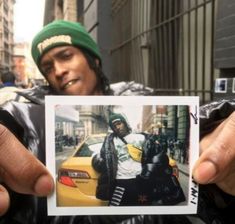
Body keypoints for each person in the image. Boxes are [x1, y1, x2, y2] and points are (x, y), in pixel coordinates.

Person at [0, 19, 234, 223]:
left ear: (93, 60)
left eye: (66, 56)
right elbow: (13, 127)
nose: (59, 70)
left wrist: (210, 142)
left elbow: (177, 150)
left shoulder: (139, 99)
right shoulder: (27, 116)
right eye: (48, 67)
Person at [92, 113, 185, 206]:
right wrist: (98, 160)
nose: (117, 127)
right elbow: (103, 157)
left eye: (119, 123)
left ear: (125, 123)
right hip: (120, 183)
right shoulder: (110, 141)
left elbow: (159, 157)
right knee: (116, 212)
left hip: (140, 182)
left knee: (142, 210)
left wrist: (149, 171)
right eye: (114, 126)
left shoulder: (142, 138)